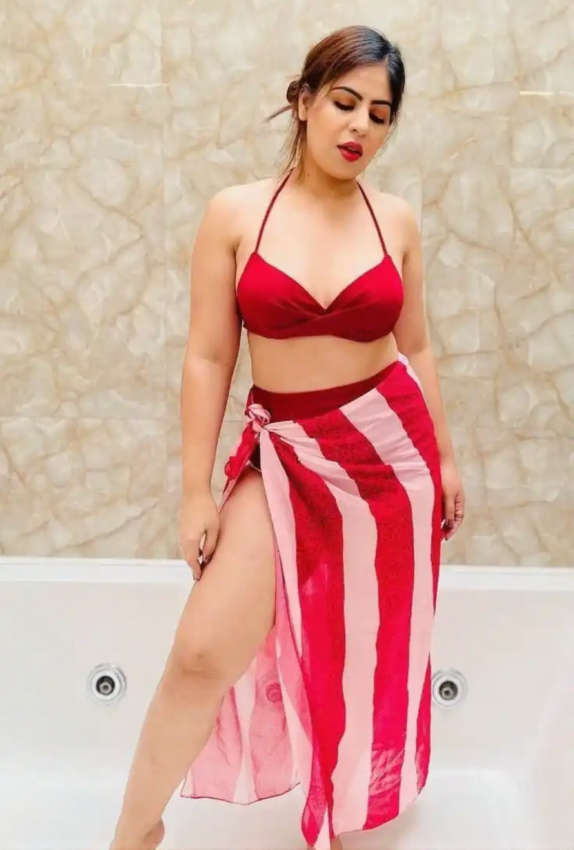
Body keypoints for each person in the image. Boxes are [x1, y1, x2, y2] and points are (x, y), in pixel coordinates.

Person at [109, 23, 465, 850]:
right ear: (302, 102)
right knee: (201, 653)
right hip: (287, 454)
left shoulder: (396, 220)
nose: (360, 126)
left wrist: (446, 458)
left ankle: (343, 821)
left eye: (379, 113)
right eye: (344, 102)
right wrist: (196, 490)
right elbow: (208, 356)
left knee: (365, 657)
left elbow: (415, 347)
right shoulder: (235, 213)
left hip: (389, 460)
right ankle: (133, 832)